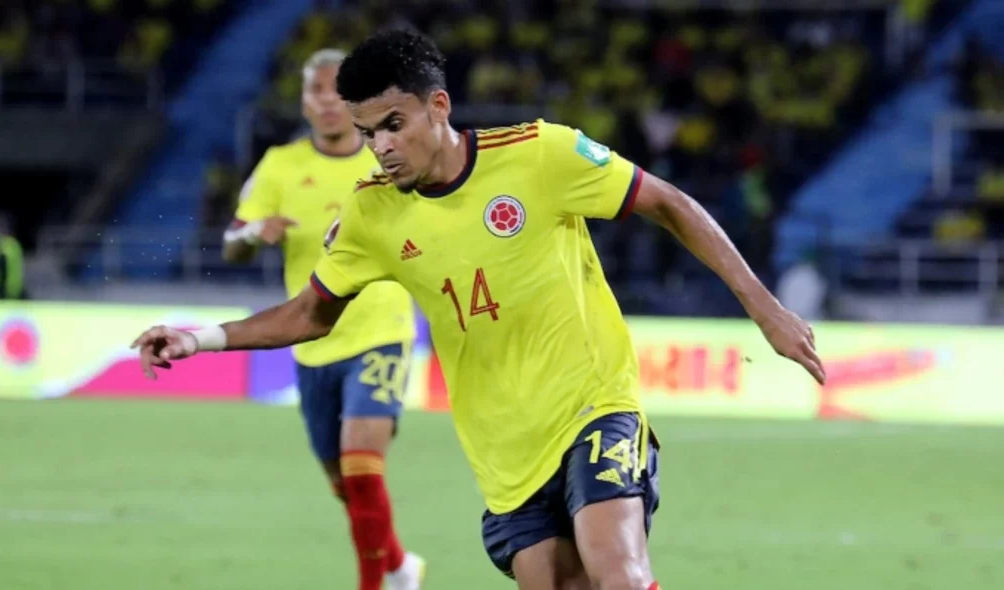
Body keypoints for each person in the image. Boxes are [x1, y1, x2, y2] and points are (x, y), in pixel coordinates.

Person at [133, 30, 824, 590]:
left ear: (438, 106)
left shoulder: (541, 155)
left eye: (394, 125)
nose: (380, 146)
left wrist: (763, 311)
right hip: (503, 450)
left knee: (619, 570)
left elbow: (669, 203)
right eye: (369, 131)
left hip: (593, 404)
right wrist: (199, 339)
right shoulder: (373, 215)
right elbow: (310, 315)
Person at [221, 48, 425, 590]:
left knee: (362, 462)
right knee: (346, 484)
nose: (329, 102)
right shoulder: (279, 165)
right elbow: (231, 243)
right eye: (317, 91)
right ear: (305, 101)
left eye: (339, 91)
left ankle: (375, 585)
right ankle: (401, 565)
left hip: (381, 332)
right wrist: (250, 235)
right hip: (312, 340)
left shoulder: (387, 157)